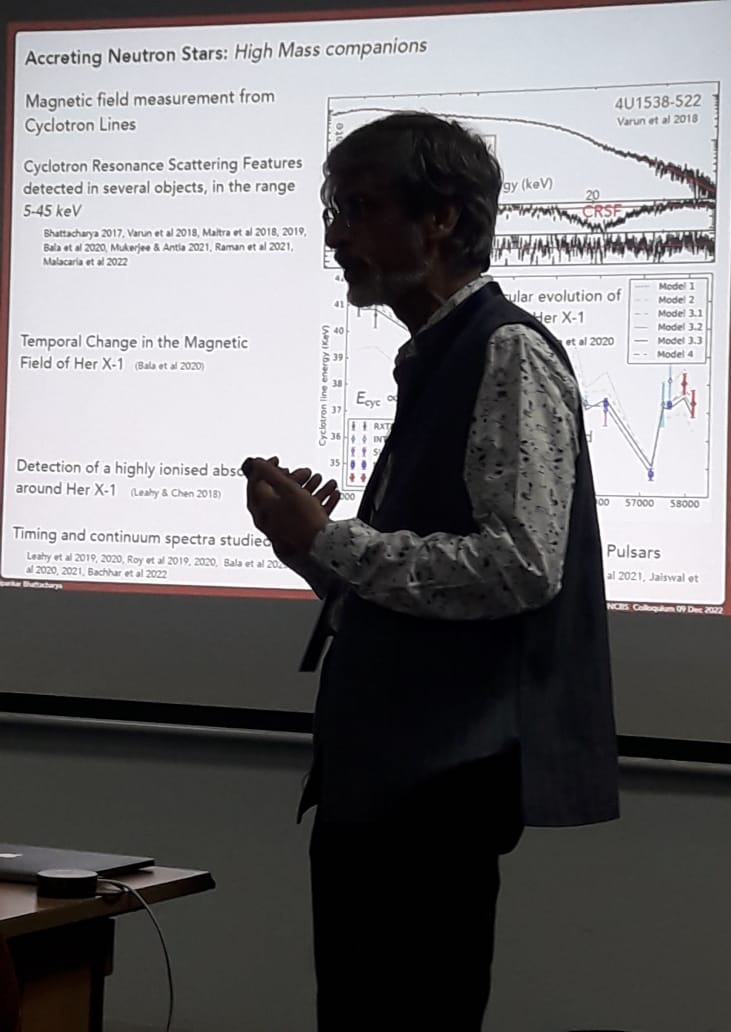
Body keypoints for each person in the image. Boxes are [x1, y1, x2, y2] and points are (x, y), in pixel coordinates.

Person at [243, 112, 619, 1032]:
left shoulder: (505, 350)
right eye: (334, 211)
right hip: (387, 783)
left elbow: (521, 565)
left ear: (442, 218)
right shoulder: (438, 356)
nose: (336, 237)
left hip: (434, 789)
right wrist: (308, 549)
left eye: (360, 208)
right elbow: (433, 587)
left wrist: (335, 543)